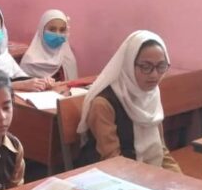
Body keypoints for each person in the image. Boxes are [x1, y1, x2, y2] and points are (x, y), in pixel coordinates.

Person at [76, 30, 181, 172]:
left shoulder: (150, 94)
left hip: (149, 173)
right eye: (145, 67)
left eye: (161, 66)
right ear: (129, 64)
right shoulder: (103, 104)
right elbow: (112, 160)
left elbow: (161, 150)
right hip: (114, 176)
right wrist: (153, 180)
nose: (155, 75)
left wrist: (180, 179)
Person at [19, 9, 78, 81]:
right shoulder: (30, 62)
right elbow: (22, 85)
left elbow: (74, 84)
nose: (58, 34)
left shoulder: (68, 59)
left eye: (62, 30)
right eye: (52, 29)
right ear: (42, 30)